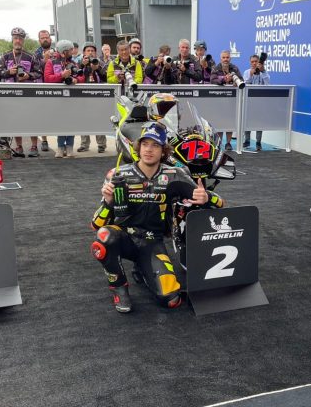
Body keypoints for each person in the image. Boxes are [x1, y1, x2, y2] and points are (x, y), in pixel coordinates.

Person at [91, 122, 225, 313]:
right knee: (104, 237)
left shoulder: (175, 175)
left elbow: (220, 202)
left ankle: (143, 268)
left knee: (170, 299)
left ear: (163, 151)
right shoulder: (118, 174)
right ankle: (119, 288)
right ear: (138, 147)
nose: (149, 150)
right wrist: (108, 202)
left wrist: (206, 197)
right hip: (124, 237)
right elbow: (96, 224)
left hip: (152, 242)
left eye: (155, 145)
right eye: (145, 144)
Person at [0, 27, 43, 158]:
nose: (18, 40)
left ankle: (34, 146)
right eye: (15, 38)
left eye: (20, 38)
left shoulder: (31, 56)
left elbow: (38, 73)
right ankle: (19, 147)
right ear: (12, 40)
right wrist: (9, 72)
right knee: (15, 120)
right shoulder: (5, 56)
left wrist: (28, 75)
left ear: (23, 40)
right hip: (11, 93)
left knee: (31, 119)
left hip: (27, 93)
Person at [44, 39, 78, 158]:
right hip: (57, 96)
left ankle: (70, 147)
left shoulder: (73, 63)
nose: (73, 52)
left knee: (71, 121)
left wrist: (76, 80)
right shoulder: (51, 62)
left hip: (71, 96)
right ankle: (60, 147)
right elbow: (47, 78)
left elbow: (81, 76)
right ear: (64, 51)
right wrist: (61, 75)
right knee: (60, 122)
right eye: (70, 50)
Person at [211, 50, 242, 150]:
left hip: (231, 99)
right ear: (221, 59)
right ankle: (219, 143)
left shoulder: (234, 68)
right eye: (223, 57)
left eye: (227, 57)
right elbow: (212, 80)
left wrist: (235, 81)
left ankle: (228, 143)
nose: (225, 59)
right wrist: (223, 80)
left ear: (230, 58)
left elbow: (241, 80)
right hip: (218, 99)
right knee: (220, 121)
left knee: (229, 121)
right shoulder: (216, 68)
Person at [242, 54, 271, 150]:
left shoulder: (264, 73)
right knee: (247, 121)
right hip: (248, 101)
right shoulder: (247, 72)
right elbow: (244, 84)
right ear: (250, 62)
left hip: (260, 102)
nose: (254, 63)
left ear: (259, 62)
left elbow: (267, 84)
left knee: (259, 122)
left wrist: (263, 71)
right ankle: (247, 141)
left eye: (256, 61)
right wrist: (251, 74)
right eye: (252, 62)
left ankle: (258, 142)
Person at [34, 30, 54, 152]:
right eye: (42, 38)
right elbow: (35, 71)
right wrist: (44, 61)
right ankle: (44, 140)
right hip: (41, 86)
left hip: (55, 86)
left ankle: (62, 143)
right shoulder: (35, 54)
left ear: (50, 39)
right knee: (41, 114)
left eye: (47, 37)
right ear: (39, 40)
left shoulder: (57, 51)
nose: (45, 39)